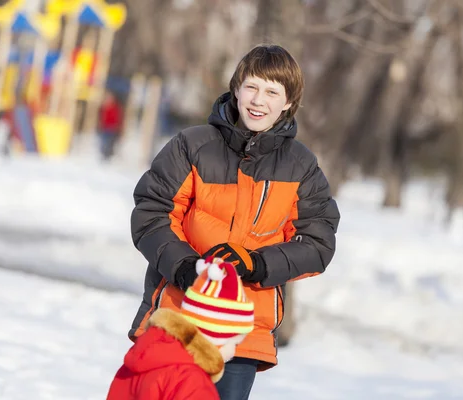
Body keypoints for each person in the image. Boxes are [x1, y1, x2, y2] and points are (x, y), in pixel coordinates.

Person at [128, 44, 340, 399]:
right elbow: (153, 212)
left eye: (273, 92)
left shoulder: (301, 166)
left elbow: (317, 243)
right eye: (253, 87)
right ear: (237, 87)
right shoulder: (192, 146)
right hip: (179, 315)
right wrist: (184, 266)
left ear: (288, 102)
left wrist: (257, 264)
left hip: (243, 332)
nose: (259, 100)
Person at [106, 258, 254, 400]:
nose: (233, 351)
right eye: (233, 342)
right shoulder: (192, 381)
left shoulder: (139, 359)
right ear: (214, 337)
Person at [97, 90, 124, 161]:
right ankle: (104, 154)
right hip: (105, 127)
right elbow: (102, 117)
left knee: (109, 142)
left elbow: (117, 118)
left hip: (111, 128)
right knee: (103, 141)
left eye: (110, 98)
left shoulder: (116, 108)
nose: (108, 99)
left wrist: (117, 126)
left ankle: (107, 155)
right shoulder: (105, 106)